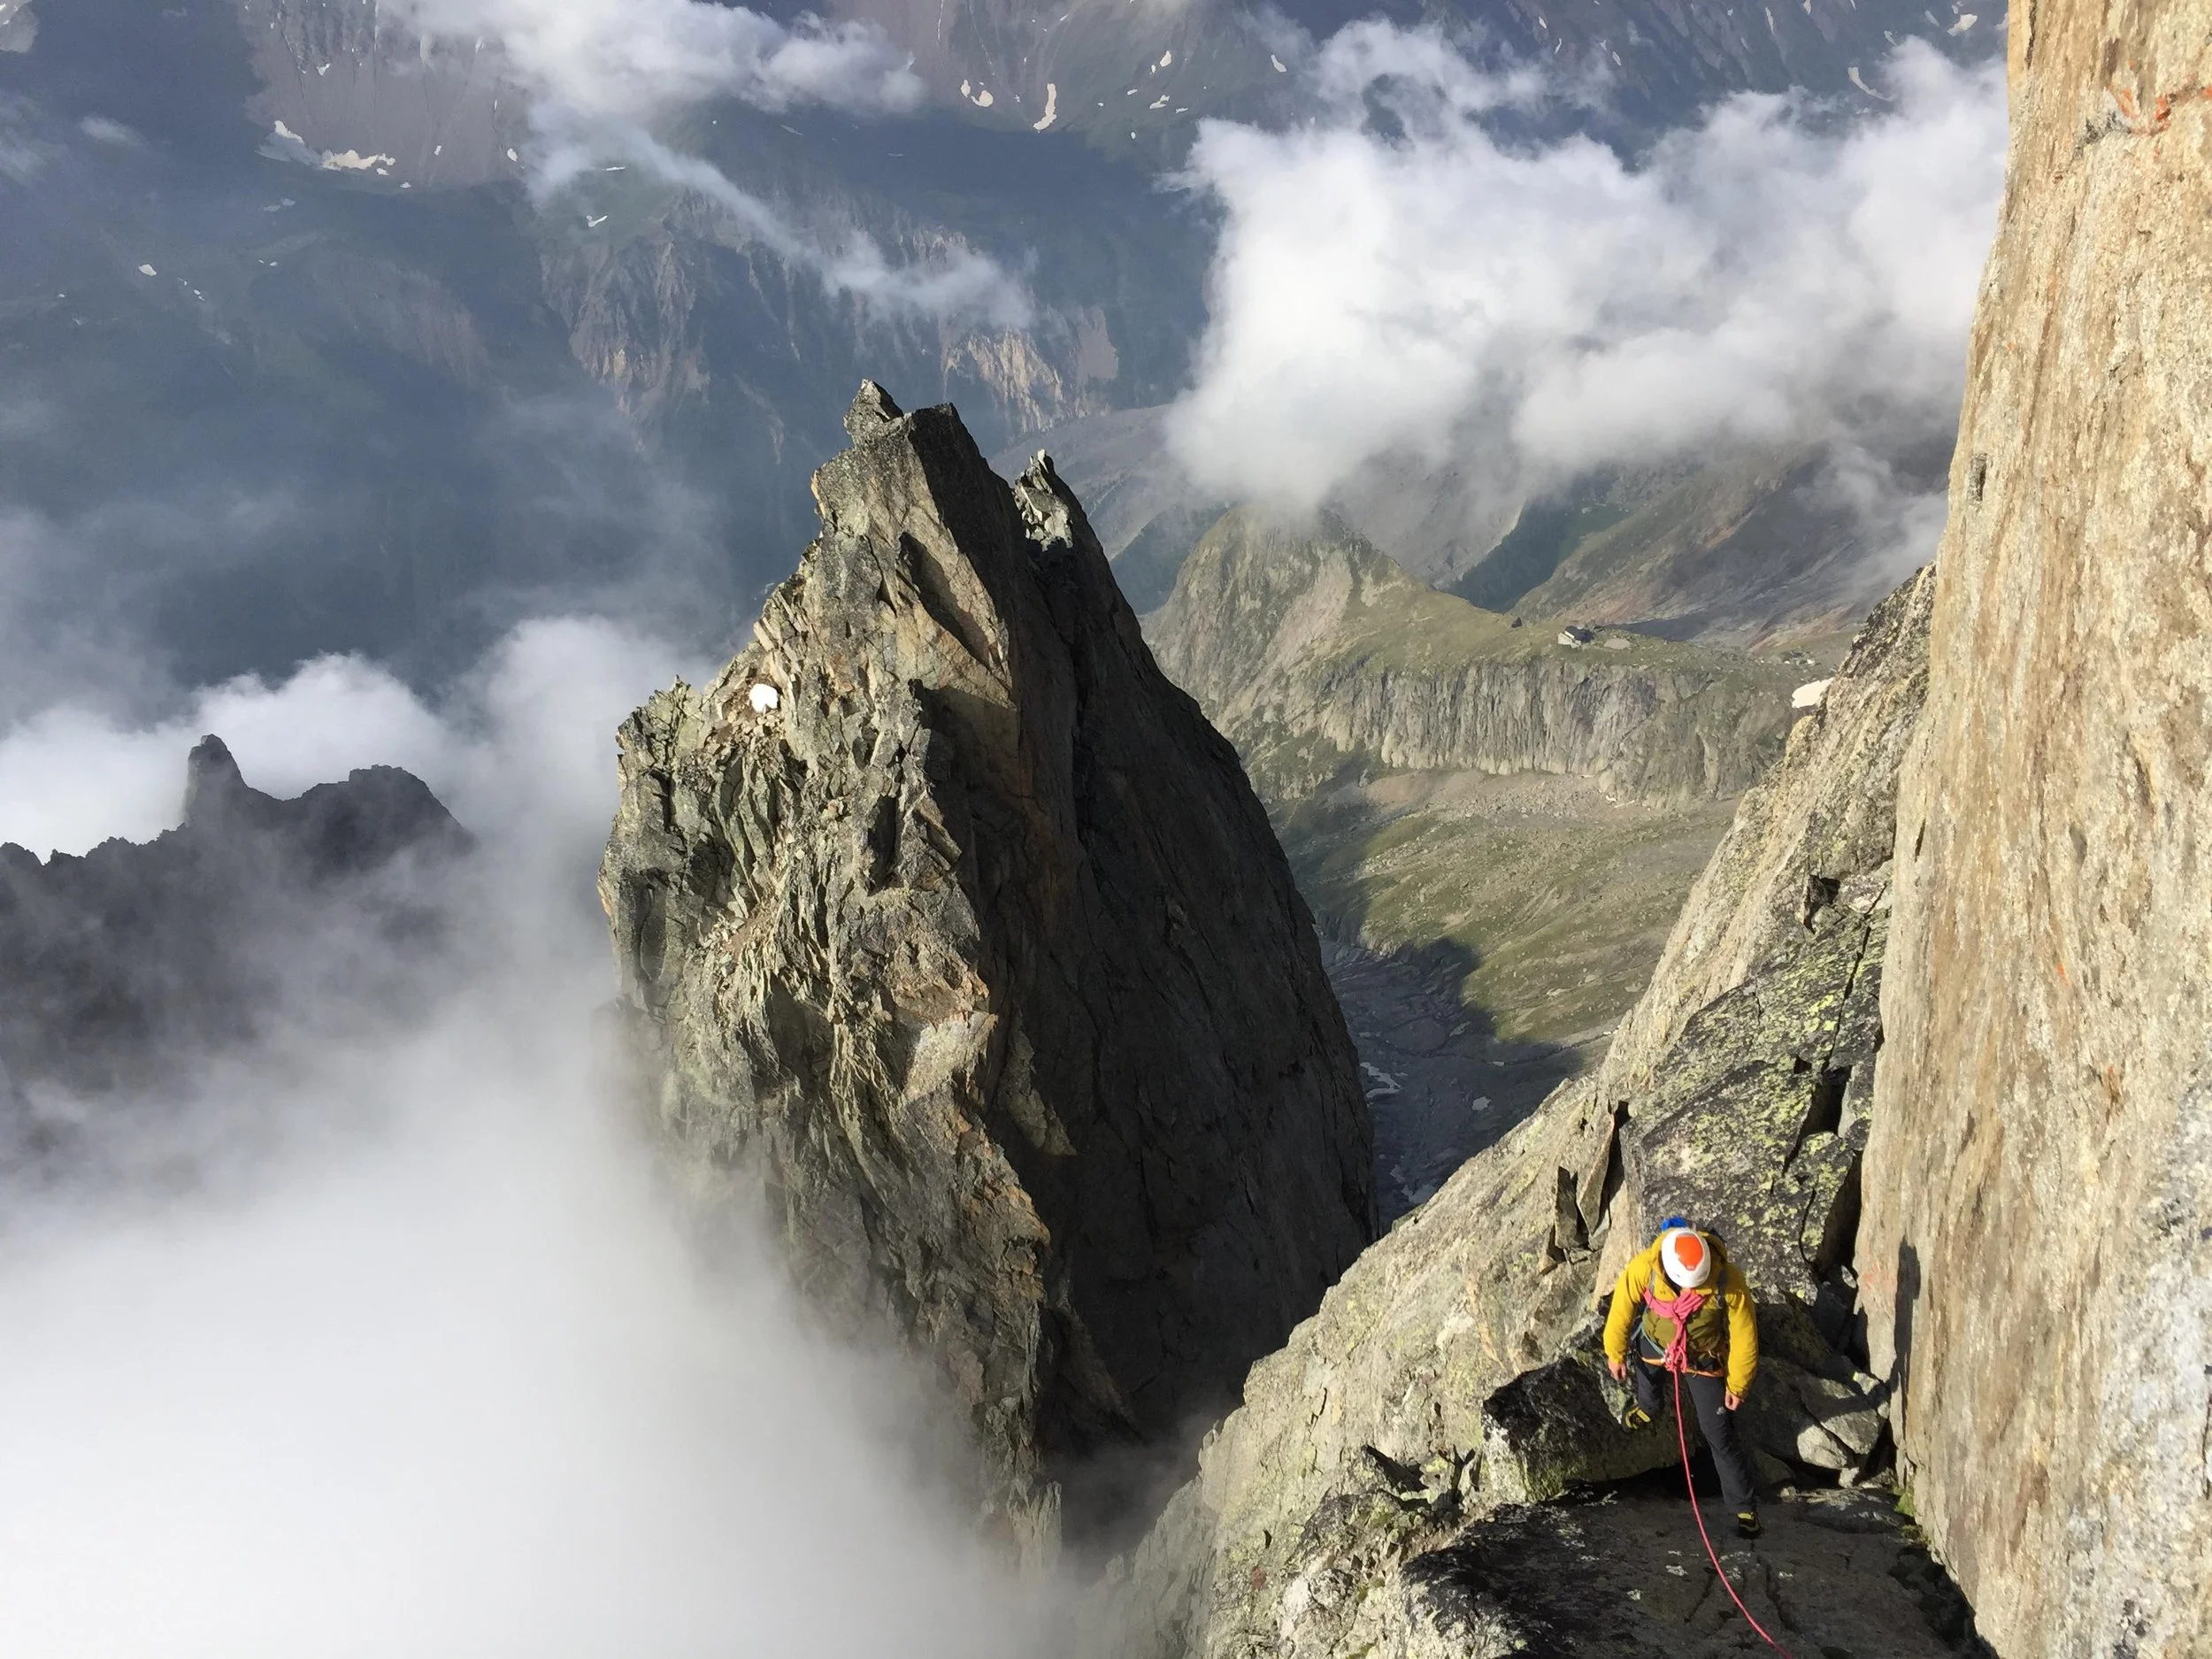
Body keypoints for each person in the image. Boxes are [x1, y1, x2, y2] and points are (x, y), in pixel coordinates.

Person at [1602, 1216, 1763, 1538]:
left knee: (1718, 1433)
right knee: (1647, 1379)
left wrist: (1737, 1384)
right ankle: (1648, 1408)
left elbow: (1746, 1335)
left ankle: (1743, 1507)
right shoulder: (1644, 1269)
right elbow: (1622, 1307)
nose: (1693, 1290)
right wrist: (1615, 1352)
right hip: (1655, 1344)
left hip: (1702, 1359)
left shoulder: (1726, 1279)